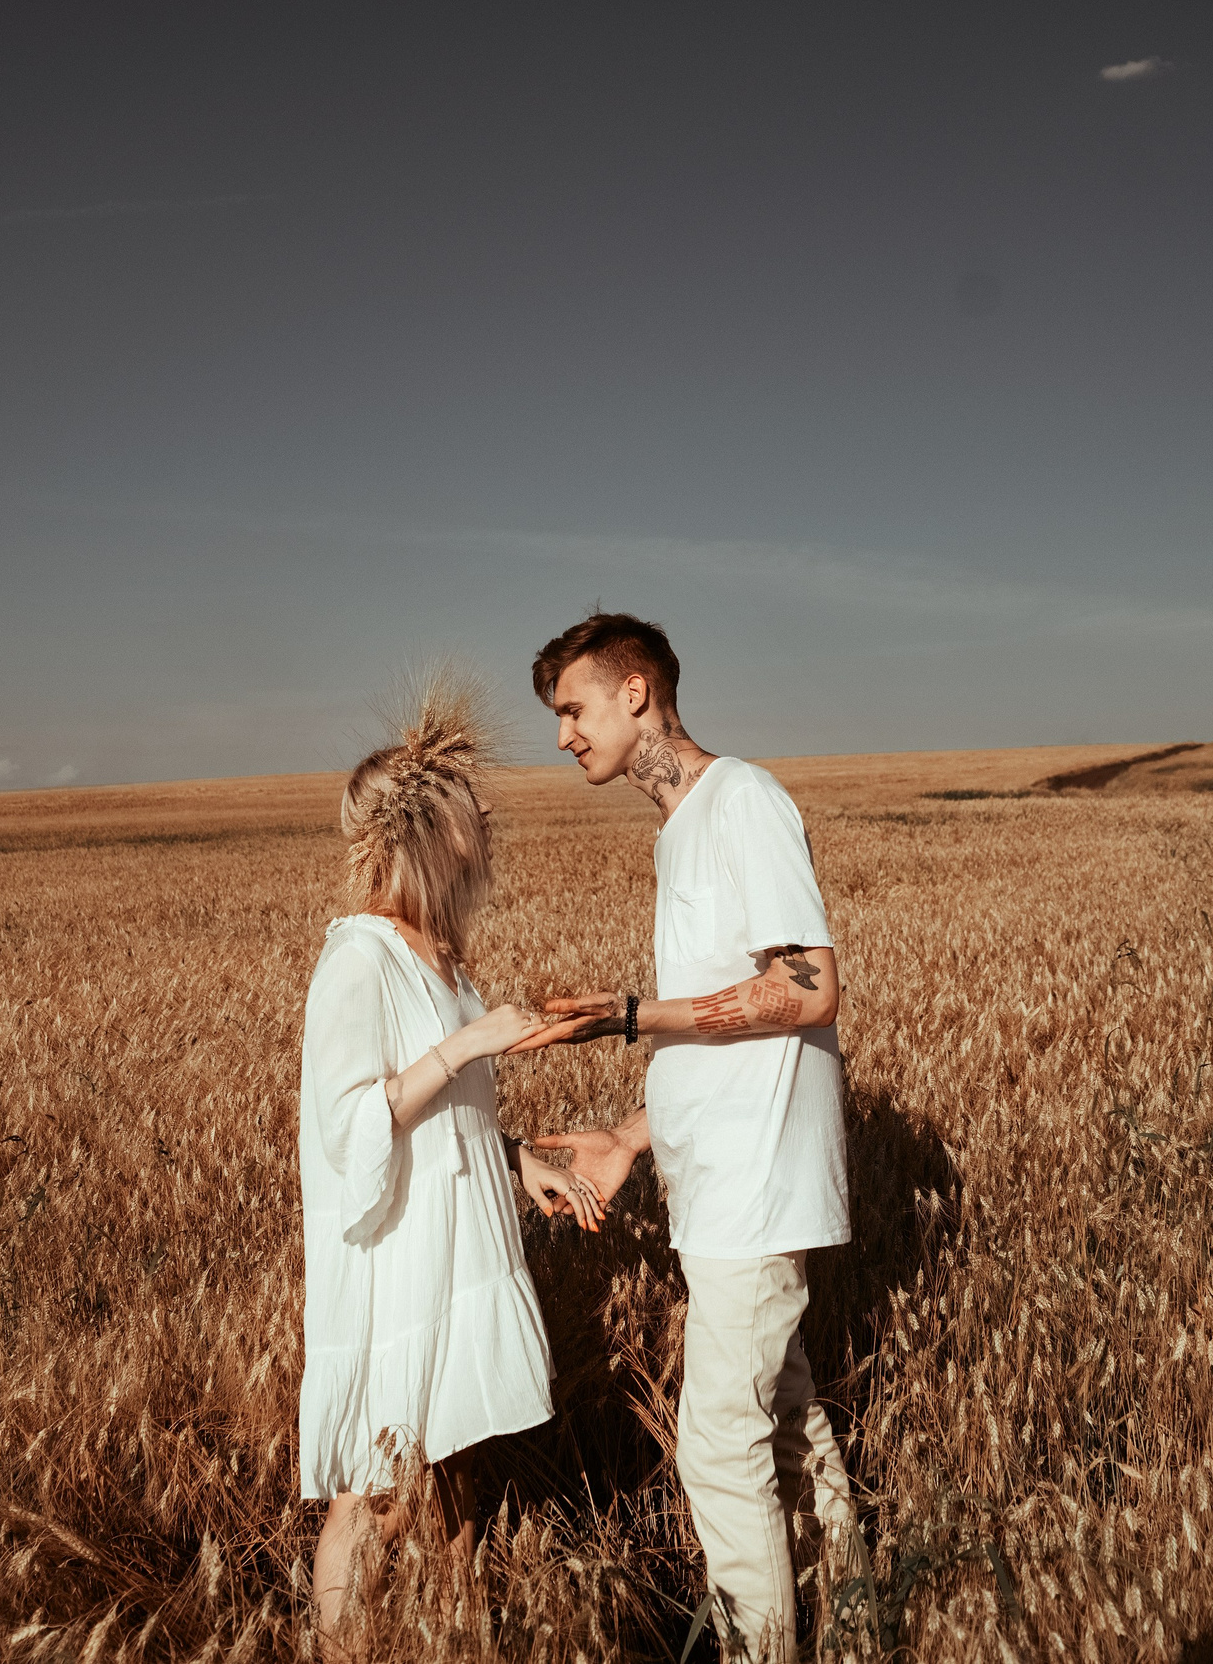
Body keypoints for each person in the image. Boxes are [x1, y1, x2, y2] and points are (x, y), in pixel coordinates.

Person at [526, 612, 857, 1662]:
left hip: (758, 1191)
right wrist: (631, 1136)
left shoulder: (741, 800)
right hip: (718, 1185)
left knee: (717, 1450)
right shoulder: (679, 828)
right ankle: (861, 1606)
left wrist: (630, 1015)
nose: (564, 735)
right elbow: (720, 1034)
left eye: (573, 708)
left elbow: (807, 986)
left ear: (636, 691)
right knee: (790, 1417)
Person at [296, 674, 606, 1654]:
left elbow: (443, 1112)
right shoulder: (360, 958)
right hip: (398, 1259)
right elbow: (348, 1123)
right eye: (473, 797)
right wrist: (471, 1046)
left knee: (452, 1468)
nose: (491, 807)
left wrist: (518, 1160)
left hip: (458, 1235)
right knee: (377, 1489)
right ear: (432, 825)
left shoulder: (441, 957)